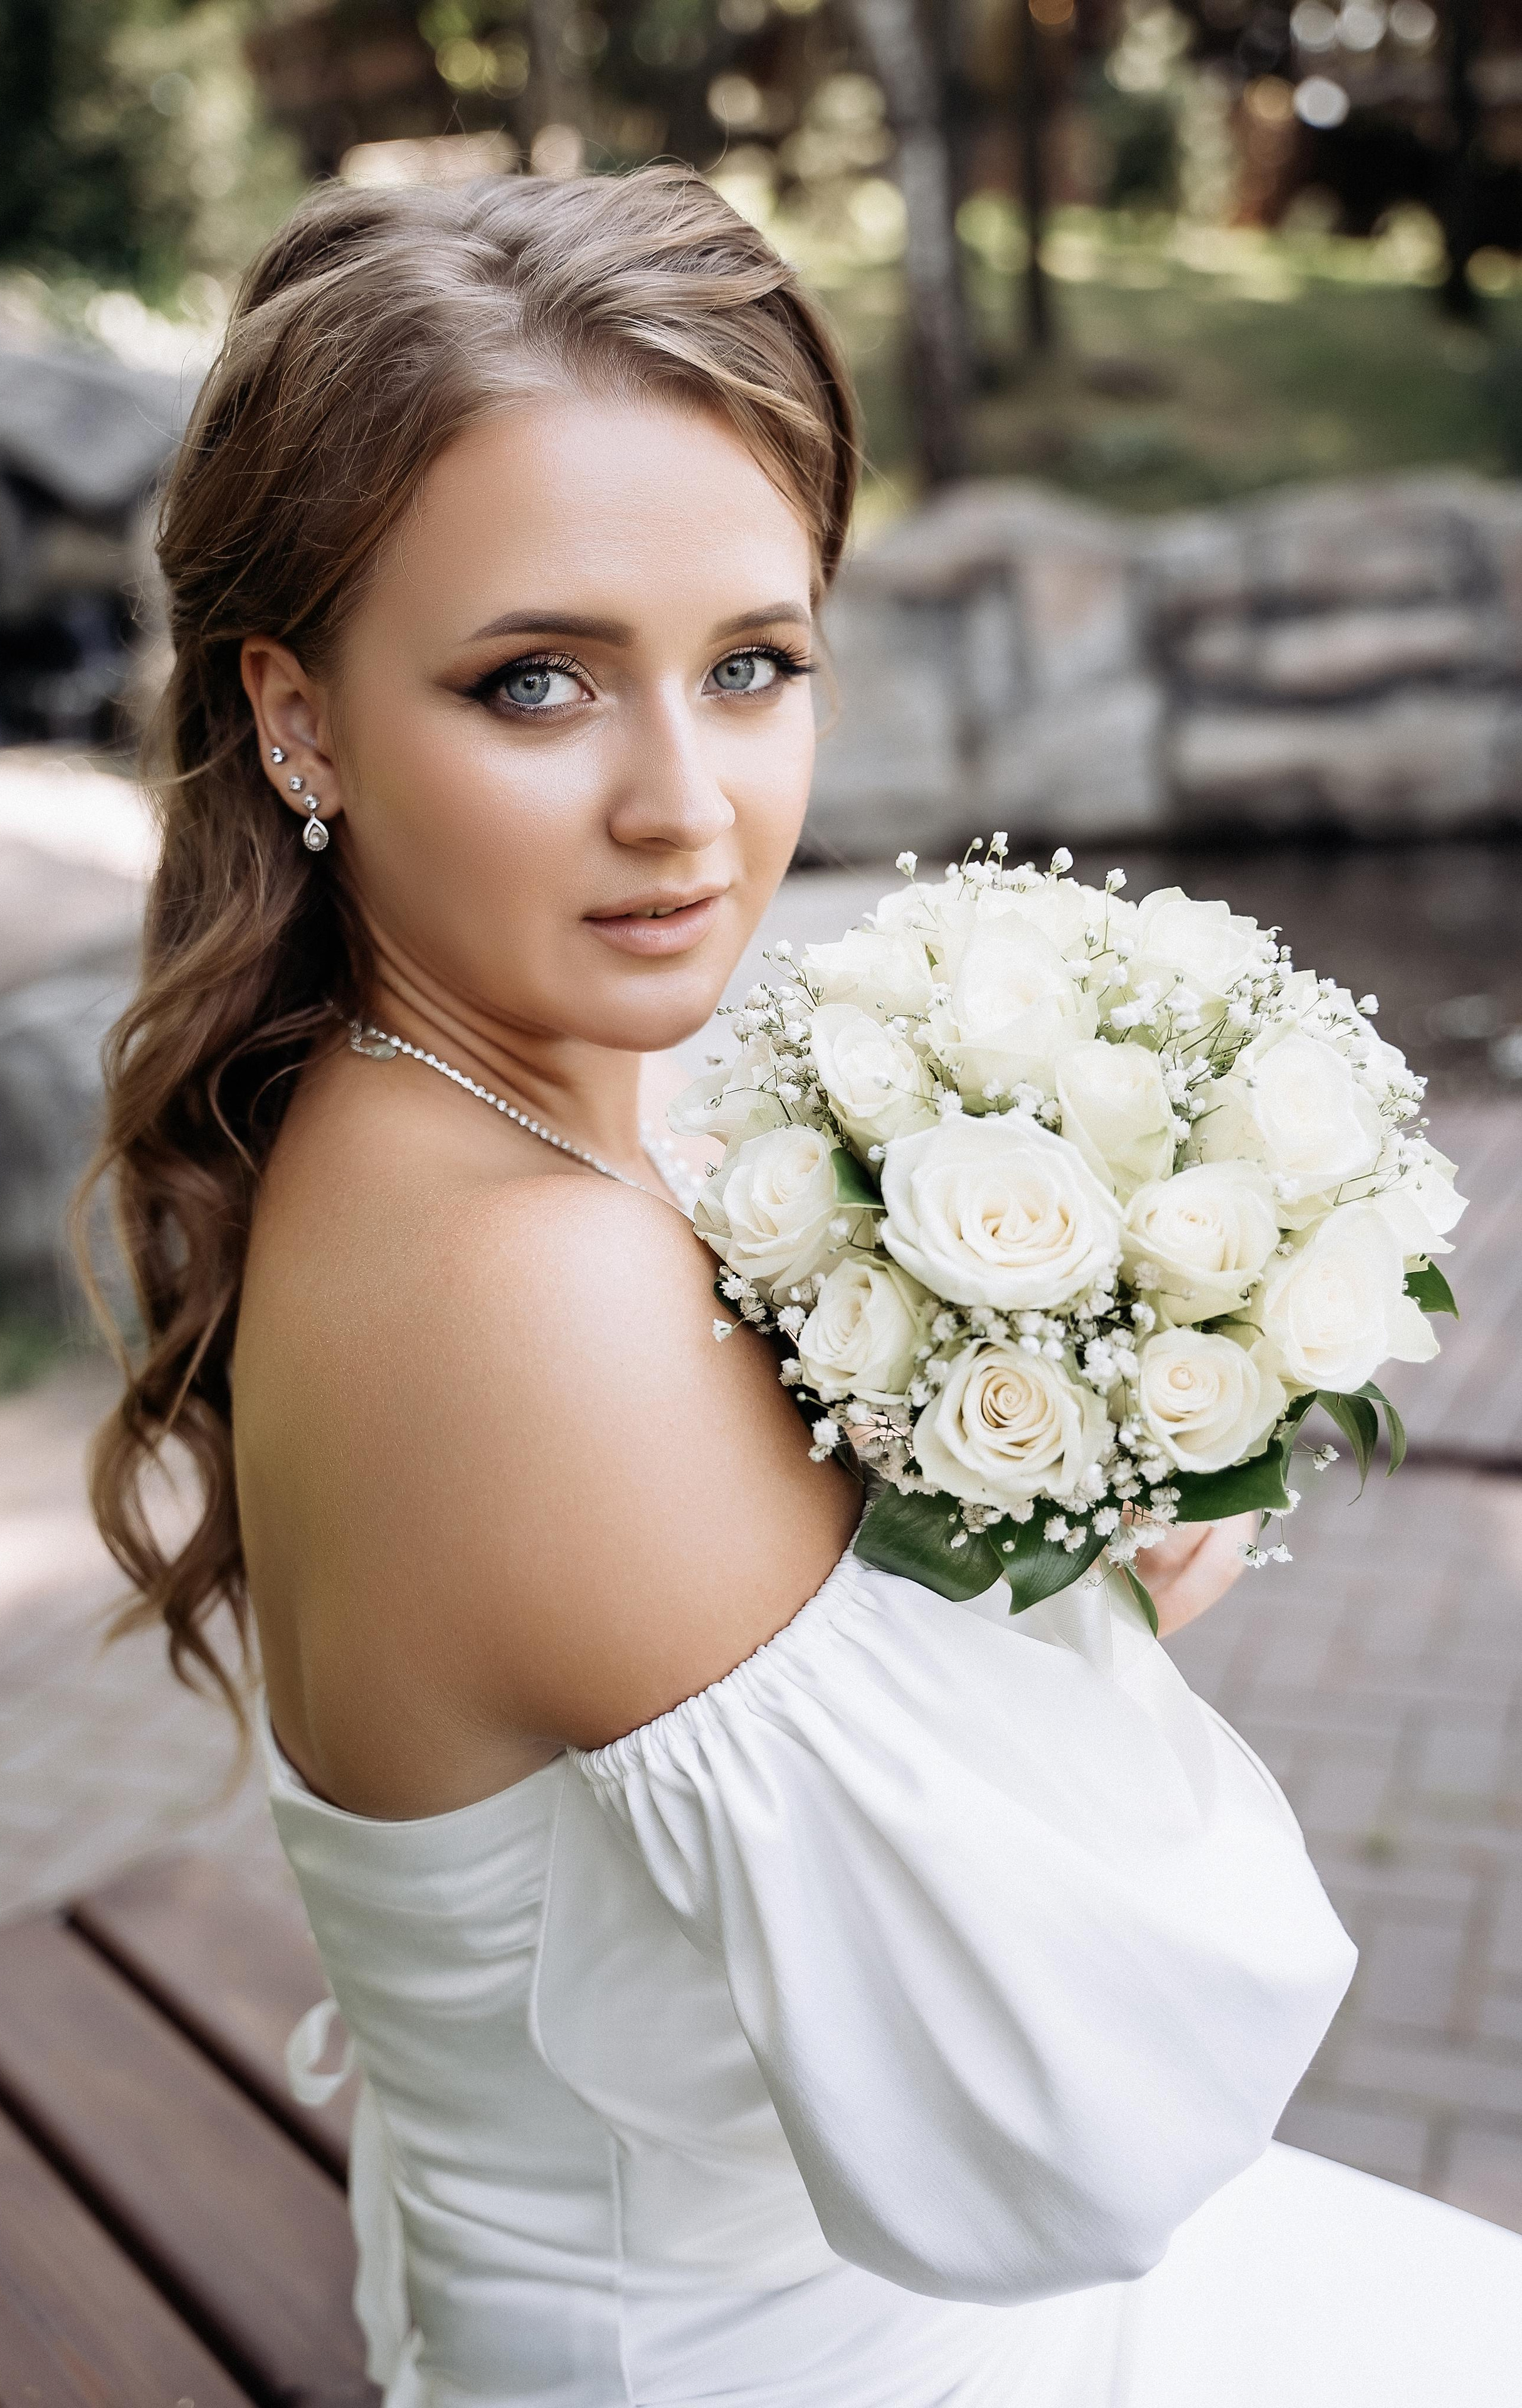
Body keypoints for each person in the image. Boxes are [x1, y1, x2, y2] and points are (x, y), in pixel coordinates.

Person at [84, 166, 1521, 2407]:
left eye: (751, 666)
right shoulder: (531, 1283)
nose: (687, 805)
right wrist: (1110, 1601)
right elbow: (1087, 2122)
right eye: (537, 682)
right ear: (302, 719)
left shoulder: (423, 1119)